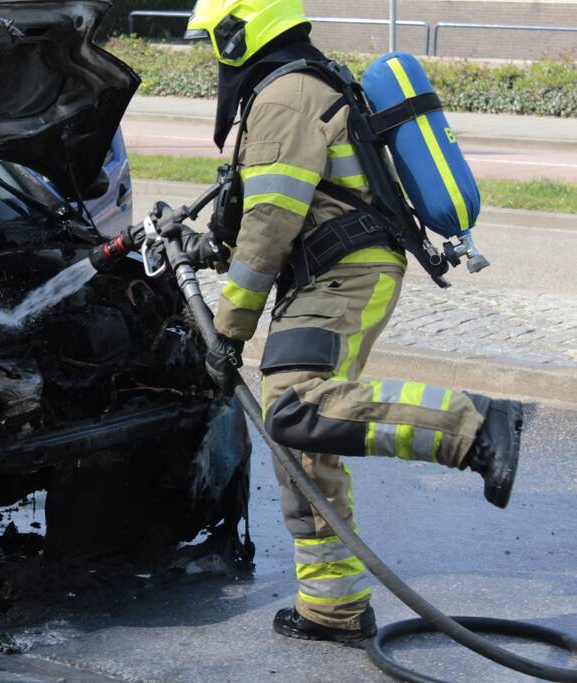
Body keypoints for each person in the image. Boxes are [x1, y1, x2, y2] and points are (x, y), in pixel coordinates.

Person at [180, 0, 524, 643]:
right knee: (301, 439)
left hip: (346, 272)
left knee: (293, 406)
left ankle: (473, 426)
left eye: (214, 40)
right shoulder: (295, 82)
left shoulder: (286, 92)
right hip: (327, 272)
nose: (212, 56)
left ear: (240, 32)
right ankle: (333, 609)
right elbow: (267, 210)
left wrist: (229, 327)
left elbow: (272, 222)